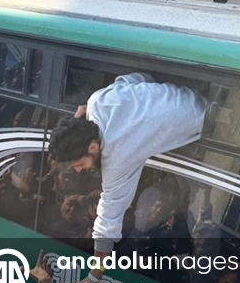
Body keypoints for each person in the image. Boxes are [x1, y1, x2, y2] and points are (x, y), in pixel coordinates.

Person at [49, 73, 206, 269]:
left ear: (93, 147)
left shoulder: (116, 157)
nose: (80, 170)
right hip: (191, 94)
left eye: (79, 164)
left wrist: (95, 274)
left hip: (204, 120)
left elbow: (109, 218)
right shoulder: (97, 101)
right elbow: (137, 79)